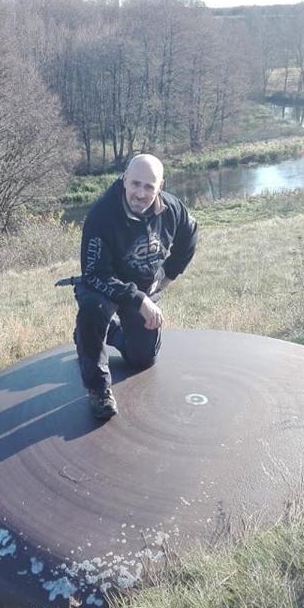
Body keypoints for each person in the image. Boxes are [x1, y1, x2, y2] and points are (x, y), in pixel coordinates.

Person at [73, 153, 198, 420]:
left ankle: (104, 335)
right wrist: (140, 300)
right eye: (135, 184)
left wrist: (168, 276)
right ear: (125, 179)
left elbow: (190, 234)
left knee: (143, 359)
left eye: (149, 186)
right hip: (104, 285)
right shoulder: (101, 216)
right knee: (93, 309)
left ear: (160, 186)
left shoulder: (172, 209)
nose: (140, 194)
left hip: (142, 287)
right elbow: (94, 273)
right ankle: (98, 389)